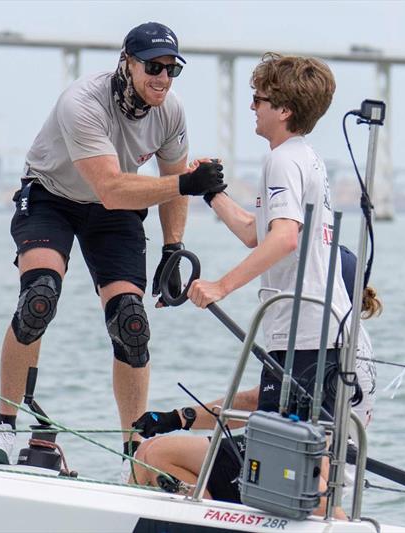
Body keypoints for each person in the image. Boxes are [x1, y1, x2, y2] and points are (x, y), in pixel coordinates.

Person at [128, 52, 374, 511]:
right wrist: (209, 191)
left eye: (258, 99)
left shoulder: (282, 161)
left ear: (283, 109)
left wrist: (221, 286)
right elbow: (252, 233)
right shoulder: (303, 158)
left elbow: (283, 239)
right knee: (295, 460)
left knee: (306, 471)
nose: (252, 108)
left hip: (306, 333)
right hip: (306, 333)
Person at [0, 22, 225, 472]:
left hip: (115, 213)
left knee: (131, 324)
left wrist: (173, 248)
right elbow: (111, 186)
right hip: (53, 196)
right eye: (153, 67)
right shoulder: (83, 103)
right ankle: (5, 426)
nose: (162, 79)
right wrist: (186, 180)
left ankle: (135, 453)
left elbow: (172, 185)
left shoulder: (171, 111)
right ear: (127, 63)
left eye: (172, 70)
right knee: (38, 299)